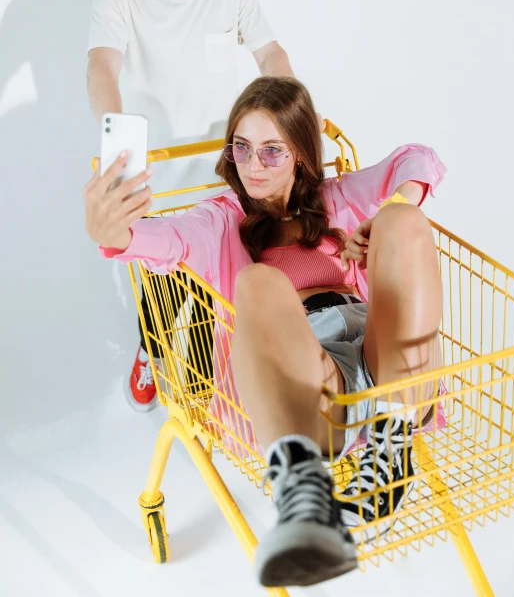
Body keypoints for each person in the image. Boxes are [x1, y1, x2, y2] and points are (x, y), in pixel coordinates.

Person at [84, 77, 446, 588]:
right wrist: (115, 233)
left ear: (300, 153)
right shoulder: (221, 222)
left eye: (273, 151)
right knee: (256, 280)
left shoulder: (335, 199)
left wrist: (386, 212)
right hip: (313, 378)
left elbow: (419, 159)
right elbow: (166, 240)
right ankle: (302, 491)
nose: (253, 165)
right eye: (243, 148)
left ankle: (391, 449)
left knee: (404, 222)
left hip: (387, 353)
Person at [87, 0, 294, 411]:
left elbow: (269, 51)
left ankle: (200, 391)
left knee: (215, 282)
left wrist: (292, 113)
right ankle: (152, 351)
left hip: (226, 169)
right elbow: (102, 67)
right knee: (162, 281)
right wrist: (118, 147)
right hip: (158, 171)